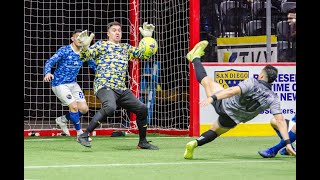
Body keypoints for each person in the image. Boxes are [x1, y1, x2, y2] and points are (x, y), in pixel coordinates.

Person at [183, 40, 296, 159]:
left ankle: (194, 58)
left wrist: (212, 98)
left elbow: (231, 91)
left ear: (261, 76)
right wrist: (288, 143)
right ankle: (194, 143)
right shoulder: (273, 98)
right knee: (214, 132)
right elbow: (280, 121)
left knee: (207, 81)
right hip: (233, 119)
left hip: (222, 105)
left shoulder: (252, 82)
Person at [75, 21, 159, 150]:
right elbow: (84, 57)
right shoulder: (101, 45)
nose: (117, 32)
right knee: (110, 108)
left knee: (142, 109)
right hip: (104, 85)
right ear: (108, 33)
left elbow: (145, 55)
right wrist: (85, 47)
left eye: (119, 30)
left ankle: (143, 142)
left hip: (121, 89)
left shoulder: (126, 47)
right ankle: (84, 135)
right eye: (114, 30)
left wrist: (148, 38)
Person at [44, 29, 96, 140]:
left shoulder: (84, 52)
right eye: (77, 37)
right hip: (59, 83)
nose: (79, 39)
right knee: (74, 106)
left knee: (84, 109)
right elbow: (50, 61)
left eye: (81, 37)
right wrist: (47, 72)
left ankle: (62, 120)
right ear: (72, 38)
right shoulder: (65, 50)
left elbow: (93, 65)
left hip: (73, 83)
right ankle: (79, 134)